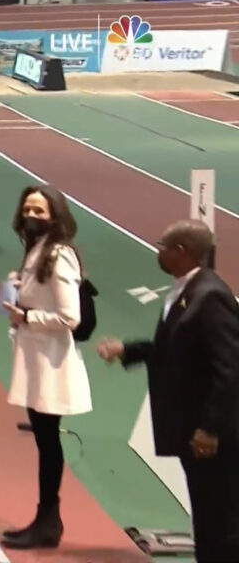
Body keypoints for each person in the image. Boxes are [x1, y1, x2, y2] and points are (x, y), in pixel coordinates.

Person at [98, 219, 239, 563]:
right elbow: (177, 350)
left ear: (181, 251)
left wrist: (210, 428)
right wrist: (128, 350)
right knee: (206, 516)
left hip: (211, 437)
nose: (158, 252)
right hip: (192, 430)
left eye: (163, 246)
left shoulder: (210, 296)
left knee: (220, 520)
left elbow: (231, 369)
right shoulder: (187, 291)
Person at [0, 184, 92, 550]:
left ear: (55, 216)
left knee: (49, 442)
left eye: (40, 211)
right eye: (28, 210)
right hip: (36, 357)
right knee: (43, 440)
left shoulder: (60, 255)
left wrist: (27, 315)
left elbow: (70, 315)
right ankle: (44, 519)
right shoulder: (37, 250)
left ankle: (49, 521)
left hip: (51, 362)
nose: (32, 217)